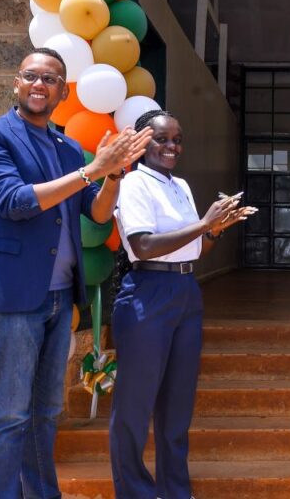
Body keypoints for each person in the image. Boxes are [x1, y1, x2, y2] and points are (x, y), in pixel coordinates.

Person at [0, 48, 151, 498]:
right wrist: (92, 170)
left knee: (45, 411)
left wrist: (115, 175)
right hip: (14, 297)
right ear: (17, 83)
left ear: (64, 91)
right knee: (9, 414)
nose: (40, 85)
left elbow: (99, 214)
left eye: (51, 79)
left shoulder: (67, 148)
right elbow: (16, 201)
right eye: (32, 76)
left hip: (60, 296)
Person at [110, 110, 255, 499]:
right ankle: (136, 492)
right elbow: (143, 245)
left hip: (185, 291)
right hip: (147, 291)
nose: (172, 146)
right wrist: (204, 224)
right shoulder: (133, 183)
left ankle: (175, 490)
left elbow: (194, 249)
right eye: (162, 139)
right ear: (142, 143)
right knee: (135, 407)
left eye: (177, 139)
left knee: (177, 405)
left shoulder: (182, 185)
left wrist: (216, 229)